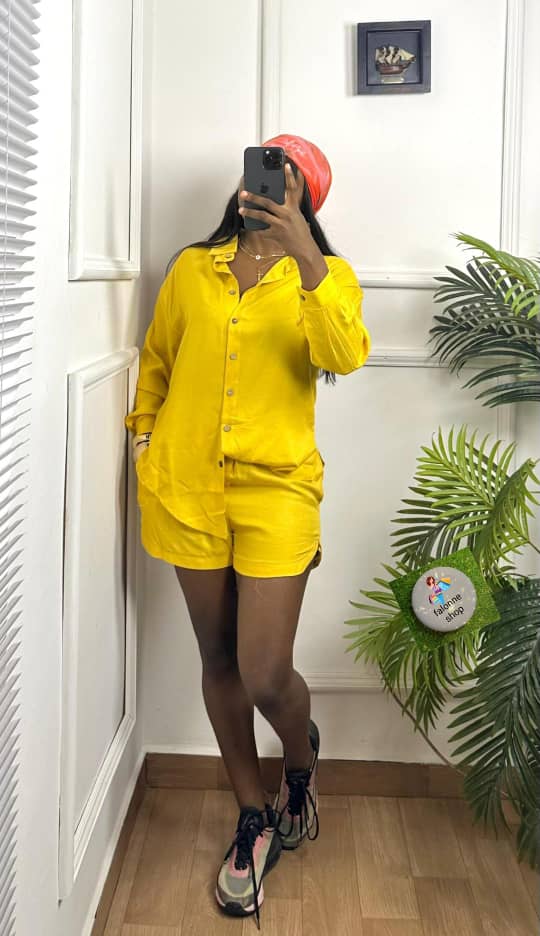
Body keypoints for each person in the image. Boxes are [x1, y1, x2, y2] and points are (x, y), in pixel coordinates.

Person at [124, 133, 371, 927]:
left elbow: (345, 355)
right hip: (187, 486)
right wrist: (144, 438)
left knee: (266, 672)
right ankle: (253, 814)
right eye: (264, 169)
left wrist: (307, 257)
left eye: (289, 178)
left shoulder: (326, 278)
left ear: (307, 198)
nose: (268, 185)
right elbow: (159, 360)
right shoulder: (193, 269)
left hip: (278, 492)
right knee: (219, 659)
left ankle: (299, 762)